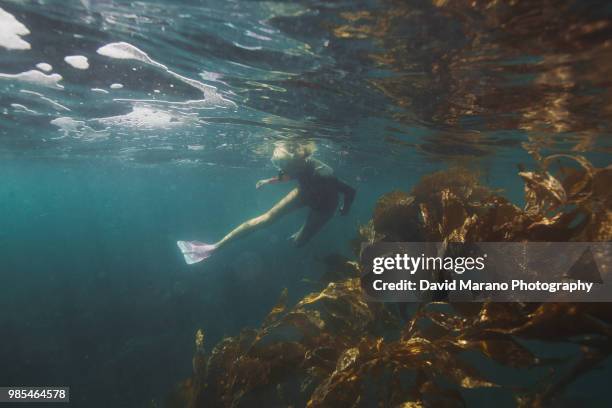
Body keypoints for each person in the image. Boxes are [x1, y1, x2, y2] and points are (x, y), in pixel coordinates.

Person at [177, 141, 356, 264]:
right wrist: (268, 181)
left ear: (297, 163)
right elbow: (287, 175)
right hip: (304, 193)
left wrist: (345, 207)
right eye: (280, 167)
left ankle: (302, 233)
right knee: (266, 219)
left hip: (325, 206)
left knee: (298, 243)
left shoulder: (324, 175)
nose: (282, 170)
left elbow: (350, 191)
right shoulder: (296, 165)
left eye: (284, 167)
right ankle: (214, 247)